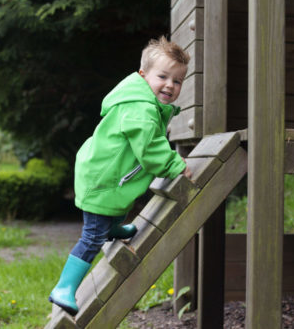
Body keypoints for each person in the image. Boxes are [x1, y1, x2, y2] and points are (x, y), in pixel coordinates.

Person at [49, 36, 193, 316]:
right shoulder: (141, 108)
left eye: (177, 81)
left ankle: (113, 226)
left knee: (121, 197)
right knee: (91, 238)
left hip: (107, 174)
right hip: (102, 178)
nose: (169, 85)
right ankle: (64, 287)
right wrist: (175, 164)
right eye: (162, 76)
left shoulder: (144, 102)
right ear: (143, 75)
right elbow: (151, 149)